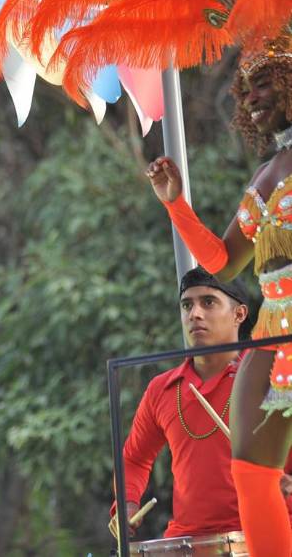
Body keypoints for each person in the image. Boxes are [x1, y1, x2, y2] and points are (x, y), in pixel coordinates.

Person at [146, 32, 292, 556]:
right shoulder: (267, 173)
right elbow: (223, 262)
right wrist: (176, 204)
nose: (250, 99)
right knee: (251, 472)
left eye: (263, 84)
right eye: (244, 90)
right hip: (273, 328)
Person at [113, 267, 292, 540]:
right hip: (187, 542)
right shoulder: (161, 389)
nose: (194, 314)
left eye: (208, 302)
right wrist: (127, 503)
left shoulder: (272, 378)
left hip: (264, 537)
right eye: (187, 305)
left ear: (239, 314)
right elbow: (134, 458)